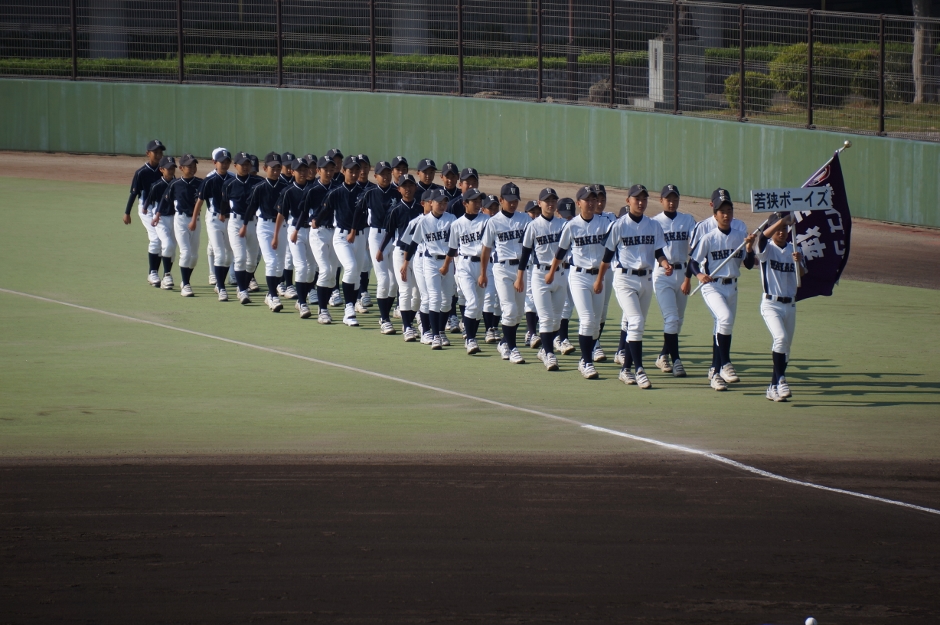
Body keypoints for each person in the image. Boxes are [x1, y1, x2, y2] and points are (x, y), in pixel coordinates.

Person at [602, 184, 672, 389]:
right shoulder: (619, 225)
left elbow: (659, 252)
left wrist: (665, 263)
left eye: (644, 199)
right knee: (636, 321)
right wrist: (599, 280)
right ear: (628, 201)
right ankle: (639, 370)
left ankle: (625, 370)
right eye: (637, 199)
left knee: (636, 326)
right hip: (624, 279)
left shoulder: (653, 225)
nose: (640, 202)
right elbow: (607, 256)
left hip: (646, 279)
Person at [690, 188, 757, 391]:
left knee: (723, 326)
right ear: (715, 214)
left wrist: (749, 248)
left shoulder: (739, 235)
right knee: (725, 319)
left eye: (729, 211)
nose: (726, 215)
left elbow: (749, 264)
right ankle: (724, 364)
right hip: (712, 286)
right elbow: (692, 262)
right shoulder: (709, 237)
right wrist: (699, 275)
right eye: (722, 212)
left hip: (732, 287)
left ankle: (715, 371)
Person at [545, 186, 609, 379]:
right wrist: (551, 272)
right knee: (587, 319)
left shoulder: (605, 224)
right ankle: (587, 362)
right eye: (587, 200)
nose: (591, 203)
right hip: (579, 276)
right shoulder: (572, 226)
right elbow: (561, 252)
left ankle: (585, 358)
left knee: (595, 324)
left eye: (593, 199)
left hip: (599, 276)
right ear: (578, 203)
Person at [753, 213, 806, 402]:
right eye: (777, 229)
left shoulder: (794, 249)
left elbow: (801, 275)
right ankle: (782, 379)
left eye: (784, 229)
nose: (781, 232)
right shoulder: (767, 249)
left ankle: (773, 386)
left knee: (786, 349)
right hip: (771, 304)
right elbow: (761, 239)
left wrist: (798, 262)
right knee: (780, 338)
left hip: (790, 305)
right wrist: (782, 220)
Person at [400, 189, 457, 350]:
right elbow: (413, 243)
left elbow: (454, 244)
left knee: (447, 300)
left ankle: (440, 331)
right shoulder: (424, 221)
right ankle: (435, 335)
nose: (442, 205)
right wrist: (406, 263)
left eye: (445, 202)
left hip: (448, 261)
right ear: (431, 203)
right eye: (439, 202)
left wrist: (448, 264)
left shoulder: (451, 219)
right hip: (430, 261)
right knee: (434, 297)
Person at [479, 182, 529, 365]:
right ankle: (513, 348)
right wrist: (483, 273)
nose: (513, 203)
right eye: (509, 200)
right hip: (502, 268)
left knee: (519, 312)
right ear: (501, 200)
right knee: (509, 309)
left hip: (521, 269)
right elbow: (486, 249)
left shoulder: (525, 219)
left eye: (515, 200)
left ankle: (504, 342)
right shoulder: (493, 222)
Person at [516, 188, 566, 371]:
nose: (550, 204)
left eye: (553, 200)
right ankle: (549, 354)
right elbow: (525, 253)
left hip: (560, 274)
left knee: (557, 319)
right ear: (540, 203)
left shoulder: (563, 225)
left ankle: (544, 350)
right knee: (545, 317)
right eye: (547, 201)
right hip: (539, 274)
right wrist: (520, 277)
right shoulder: (533, 226)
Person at [651, 184, 696, 377]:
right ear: (661, 200)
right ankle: (676, 361)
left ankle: (663, 355)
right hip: (663, 275)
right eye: (668, 199)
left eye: (675, 198)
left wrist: (689, 277)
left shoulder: (688, 220)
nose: (671, 202)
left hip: (682, 273)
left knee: (678, 321)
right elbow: (652, 249)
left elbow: (695, 246)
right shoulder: (654, 222)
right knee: (671, 318)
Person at [442, 187, 489, 354]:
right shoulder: (457, 224)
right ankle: (470, 339)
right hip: (465, 265)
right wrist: (446, 266)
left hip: (483, 265)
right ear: (465, 203)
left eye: (479, 200)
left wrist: (484, 272)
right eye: (474, 201)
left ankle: (471, 337)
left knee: (479, 307)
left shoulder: (487, 221)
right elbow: (452, 248)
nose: (478, 203)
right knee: (472, 302)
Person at [324, 155, 369, 327]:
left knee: (356, 273)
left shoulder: (364, 192)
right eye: (351, 170)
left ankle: (352, 304)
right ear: (343, 171)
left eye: (357, 170)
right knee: (350, 267)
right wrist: (315, 222)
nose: (355, 173)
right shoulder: (336, 192)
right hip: (342, 237)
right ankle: (349, 308)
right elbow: (324, 210)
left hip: (360, 236)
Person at [362, 160, 402, 334]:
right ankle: (384, 319)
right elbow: (359, 213)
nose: (385, 176)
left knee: (394, 282)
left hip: (393, 236)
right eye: (382, 174)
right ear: (375, 176)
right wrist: (358, 235)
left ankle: (386, 313)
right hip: (376, 236)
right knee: (384, 279)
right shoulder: (370, 193)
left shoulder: (396, 192)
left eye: (387, 173)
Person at [380, 174, 422, 339]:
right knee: (405, 290)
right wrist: (380, 250)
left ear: (415, 187)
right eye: (404, 186)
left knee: (418, 292)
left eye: (410, 185)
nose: (408, 189)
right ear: (399, 189)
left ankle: (409, 321)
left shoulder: (420, 209)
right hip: (400, 252)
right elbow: (390, 233)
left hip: (418, 253)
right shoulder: (395, 210)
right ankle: (407, 327)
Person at [247, 152, 288, 312]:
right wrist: (244, 225)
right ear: (265, 168)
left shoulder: (285, 187)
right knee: (271, 261)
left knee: (280, 264)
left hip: (282, 227)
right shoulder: (259, 187)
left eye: (278, 168)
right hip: (264, 226)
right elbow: (251, 207)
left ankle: (270, 294)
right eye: (273, 168)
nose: (276, 171)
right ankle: (273, 296)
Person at [123, 139, 166, 286]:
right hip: (145, 209)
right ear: (148, 153)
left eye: (160, 152)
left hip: (160, 209)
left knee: (163, 240)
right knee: (155, 239)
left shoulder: (165, 170)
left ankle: (158, 273)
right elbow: (134, 193)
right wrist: (127, 212)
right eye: (156, 152)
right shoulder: (141, 172)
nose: (159, 154)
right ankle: (152, 273)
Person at [158, 154, 203, 298]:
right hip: (181, 220)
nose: (192, 168)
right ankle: (185, 283)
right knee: (186, 252)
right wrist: (158, 214)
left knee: (194, 256)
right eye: (189, 166)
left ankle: (185, 280)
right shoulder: (175, 184)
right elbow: (165, 200)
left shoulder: (200, 183)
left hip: (196, 221)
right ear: (181, 168)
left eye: (194, 165)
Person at [220, 152, 262, 305]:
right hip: (236, 223)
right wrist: (222, 214)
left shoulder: (258, 182)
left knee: (252, 261)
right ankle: (243, 290)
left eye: (247, 164)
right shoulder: (229, 184)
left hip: (254, 223)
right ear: (235, 165)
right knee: (240, 258)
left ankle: (242, 285)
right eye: (242, 164)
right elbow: (224, 202)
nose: (245, 167)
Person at [275, 157, 314, 319]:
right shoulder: (288, 191)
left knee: (313, 268)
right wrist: (276, 235)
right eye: (299, 170)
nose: (303, 173)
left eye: (305, 169)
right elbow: (281, 214)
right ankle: (302, 302)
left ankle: (304, 296)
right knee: (301, 266)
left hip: (312, 231)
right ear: (292, 172)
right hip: (294, 231)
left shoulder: (313, 189)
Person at [306, 156, 340, 324]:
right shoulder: (312, 189)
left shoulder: (337, 188)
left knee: (332, 274)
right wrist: (310, 220)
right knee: (325, 270)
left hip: (335, 232)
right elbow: (303, 210)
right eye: (325, 169)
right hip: (318, 232)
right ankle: (322, 310)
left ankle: (325, 306)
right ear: (318, 170)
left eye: (331, 169)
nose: (329, 172)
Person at [195, 147, 233, 293]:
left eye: (227, 161)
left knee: (229, 254)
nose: (225, 164)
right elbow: (200, 200)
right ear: (215, 162)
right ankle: (218, 282)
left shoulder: (232, 178)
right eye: (222, 161)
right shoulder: (209, 179)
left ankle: (221, 280)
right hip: (214, 217)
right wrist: (194, 219)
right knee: (219, 252)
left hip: (230, 219)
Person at [591, 184, 616, 363]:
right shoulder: (584, 219)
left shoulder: (611, 218)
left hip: (607, 270)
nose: (599, 203)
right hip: (588, 270)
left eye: (602, 199)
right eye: (596, 199)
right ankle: (593, 345)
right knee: (590, 310)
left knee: (602, 310)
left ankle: (596, 341)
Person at [147, 156, 177, 290]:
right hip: (160, 219)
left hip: (176, 219)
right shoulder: (156, 185)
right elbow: (147, 204)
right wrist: (153, 218)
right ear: (161, 169)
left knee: (172, 249)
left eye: (173, 168)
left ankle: (166, 277)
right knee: (166, 244)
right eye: (168, 168)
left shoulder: (177, 184)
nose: (171, 170)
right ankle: (157, 273)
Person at [552, 197, 577, 356]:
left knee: (567, 306)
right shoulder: (556, 227)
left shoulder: (575, 226)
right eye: (564, 215)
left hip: (572, 270)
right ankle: (560, 338)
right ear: (558, 213)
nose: (567, 218)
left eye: (570, 215)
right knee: (560, 306)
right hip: (557, 270)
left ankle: (559, 337)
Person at [480, 194, 502, 343]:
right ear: (483, 209)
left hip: (499, 264)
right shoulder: (481, 224)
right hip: (486, 264)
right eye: (490, 208)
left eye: (495, 208)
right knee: (488, 296)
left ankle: (494, 327)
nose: (493, 211)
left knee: (499, 299)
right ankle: (489, 329)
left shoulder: (499, 223)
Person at [277, 151, 299, 301]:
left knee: (289, 255)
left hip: (291, 222)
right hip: (277, 222)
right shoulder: (278, 182)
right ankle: (280, 283)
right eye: (287, 166)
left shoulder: (296, 182)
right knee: (282, 255)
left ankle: (287, 284)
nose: (290, 168)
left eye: (292, 166)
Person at [355, 153, 376, 311]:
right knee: (357, 262)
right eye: (359, 167)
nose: (362, 170)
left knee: (367, 263)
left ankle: (363, 291)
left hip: (369, 230)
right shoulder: (350, 187)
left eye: (365, 167)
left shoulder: (373, 188)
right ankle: (359, 293)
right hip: (354, 230)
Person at [521, 200, 542, 350]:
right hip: (526, 267)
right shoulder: (524, 226)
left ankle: (532, 331)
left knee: (539, 300)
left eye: (537, 212)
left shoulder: (540, 226)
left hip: (538, 268)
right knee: (530, 299)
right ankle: (531, 332)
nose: (535, 215)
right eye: (532, 212)